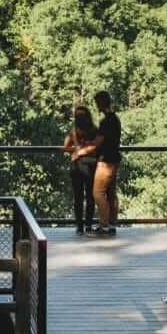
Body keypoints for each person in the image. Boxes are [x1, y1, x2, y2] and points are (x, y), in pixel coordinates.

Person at [87, 90, 122, 236]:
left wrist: (83, 149)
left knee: (98, 193)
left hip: (105, 161)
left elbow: (98, 142)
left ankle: (104, 225)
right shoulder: (116, 119)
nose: (96, 106)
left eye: (97, 103)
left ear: (101, 103)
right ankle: (112, 224)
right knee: (111, 193)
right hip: (115, 159)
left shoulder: (105, 121)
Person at [61, 103, 96, 234]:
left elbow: (65, 147)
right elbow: (66, 146)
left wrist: (77, 149)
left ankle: (82, 226)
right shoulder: (93, 130)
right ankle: (85, 225)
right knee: (85, 197)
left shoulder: (81, 131)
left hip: (82, 165)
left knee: (81, 197)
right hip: (85, 166)